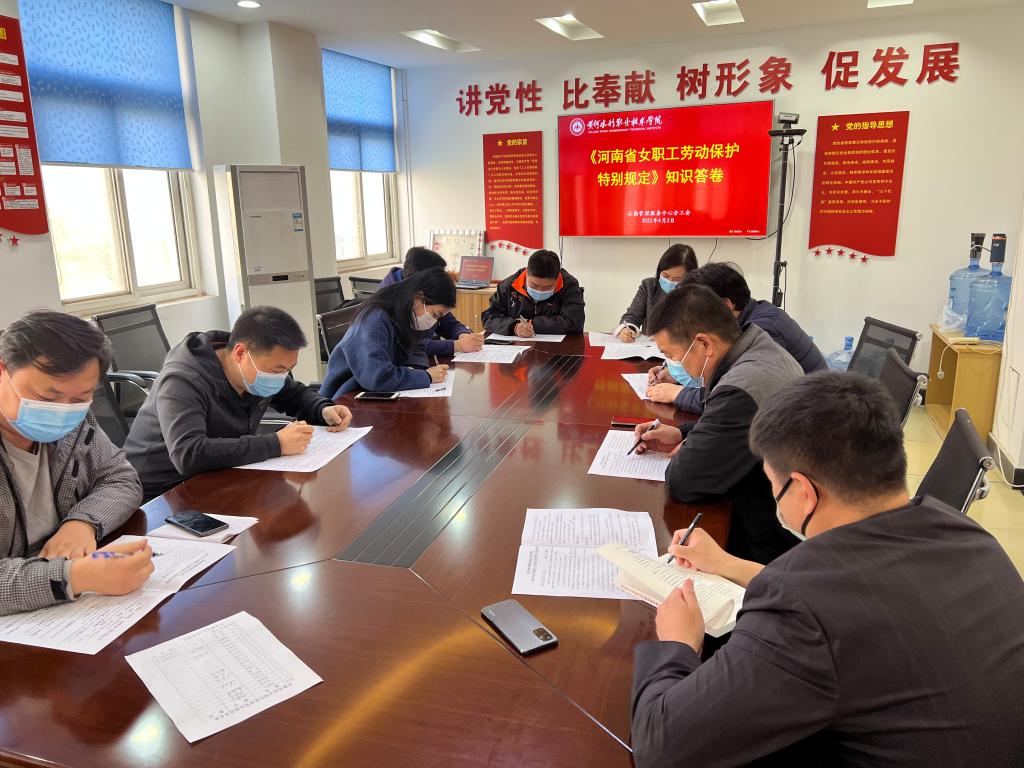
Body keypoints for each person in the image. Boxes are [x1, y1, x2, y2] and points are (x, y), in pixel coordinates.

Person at [631, 372, 1024, 767]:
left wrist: (678, 645)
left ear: (804, 492)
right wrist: (726, 563)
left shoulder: (802, 611)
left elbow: (660, 747)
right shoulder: (967, 534)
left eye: (773, 485)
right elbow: (844, 600)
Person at [634, 284, 802, 563]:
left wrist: (692, 445)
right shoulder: (756, 345)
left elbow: (684, 479)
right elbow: (734, 427)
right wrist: (682, 433)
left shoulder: (742, 387)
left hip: (773, 541)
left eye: (672, 356)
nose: (671, 365)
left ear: (704, 345)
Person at [0, 310, 152, 616]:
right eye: (47, 397)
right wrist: (73, 577)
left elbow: (121, 478)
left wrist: (82, 523)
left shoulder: (74, 420)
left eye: (81, 398)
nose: (62, 411)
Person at [125, 306, 353, 500]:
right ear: (241, 353)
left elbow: (294, 394)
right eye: (277, 370)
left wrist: (323, 409)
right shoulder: (182, 381)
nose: (281, 377)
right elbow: (188, 453)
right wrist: (276, 443)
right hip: (162, 495)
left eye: (288, 370)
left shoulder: (253, 371)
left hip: (220, 476)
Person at [647, 263, 826, 412]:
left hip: (812, 416)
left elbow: (732, 395)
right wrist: (680, 368)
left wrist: (677, 393)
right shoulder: (747, 319)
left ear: (725, 306)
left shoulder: (764, 329)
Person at [320, 267, 456, 399]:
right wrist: (425, 377)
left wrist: (420, 370)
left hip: (375, 391)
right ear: (418, 298)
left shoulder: (404, 314)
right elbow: (377, 377)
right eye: (435, 314)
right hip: (348, 397)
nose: (433, 321)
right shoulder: (376, 320)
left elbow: (416, 347)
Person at [379, 246, 484, 355]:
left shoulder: (426, 294)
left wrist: (462, 334)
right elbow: (409, 344)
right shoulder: (388, 304)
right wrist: (457, 345)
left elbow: (447, 321)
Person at [482, 249, 585, 337]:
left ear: (557, 278)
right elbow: (488, 317)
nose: (540, 291)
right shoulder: (509, 285)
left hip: (559, 348)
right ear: (527, 273)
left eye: (547, 287)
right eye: (534, 285)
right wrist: (514, 327)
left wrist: (533, 324)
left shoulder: (569, 285)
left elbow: (574, 322)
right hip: (517, 347)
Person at [615, 243, 698, 341]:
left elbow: (700, 330)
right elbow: (632, 316)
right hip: (648, 348)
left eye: (677, 279)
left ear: (690, 277)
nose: (670, 281)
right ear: (659, 271)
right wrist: (626, 329)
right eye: (665, 276)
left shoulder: (699, 295)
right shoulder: (648, 286)